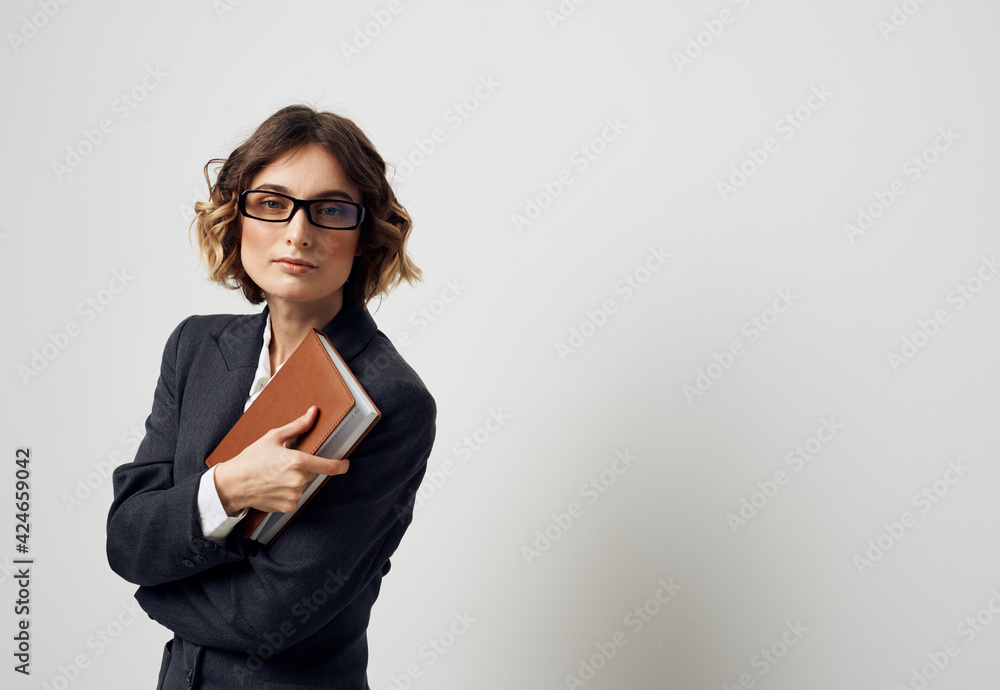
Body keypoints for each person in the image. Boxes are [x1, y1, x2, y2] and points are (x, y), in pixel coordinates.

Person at [106, 104, 436, 689]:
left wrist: (154, 585)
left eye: (330, 210)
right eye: (271, 202)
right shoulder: (194, 346)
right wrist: (228, 487)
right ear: (236, 216)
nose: (298, 233)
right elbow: (128, 538)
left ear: (364, 236)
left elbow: (267, 616)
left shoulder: (391, 398)